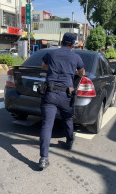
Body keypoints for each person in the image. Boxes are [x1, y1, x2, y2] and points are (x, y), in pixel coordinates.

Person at [38, 32, 85, 169]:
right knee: (68, 119)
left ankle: (43, 158)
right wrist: (72, 71)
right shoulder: (75, 56)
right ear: (72, 44)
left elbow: (43, 66)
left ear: (62, 41)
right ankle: (69, 142)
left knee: (47, 125)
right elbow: (82, 73)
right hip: (66, 95)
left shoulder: (51, 54)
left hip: (50, 93)